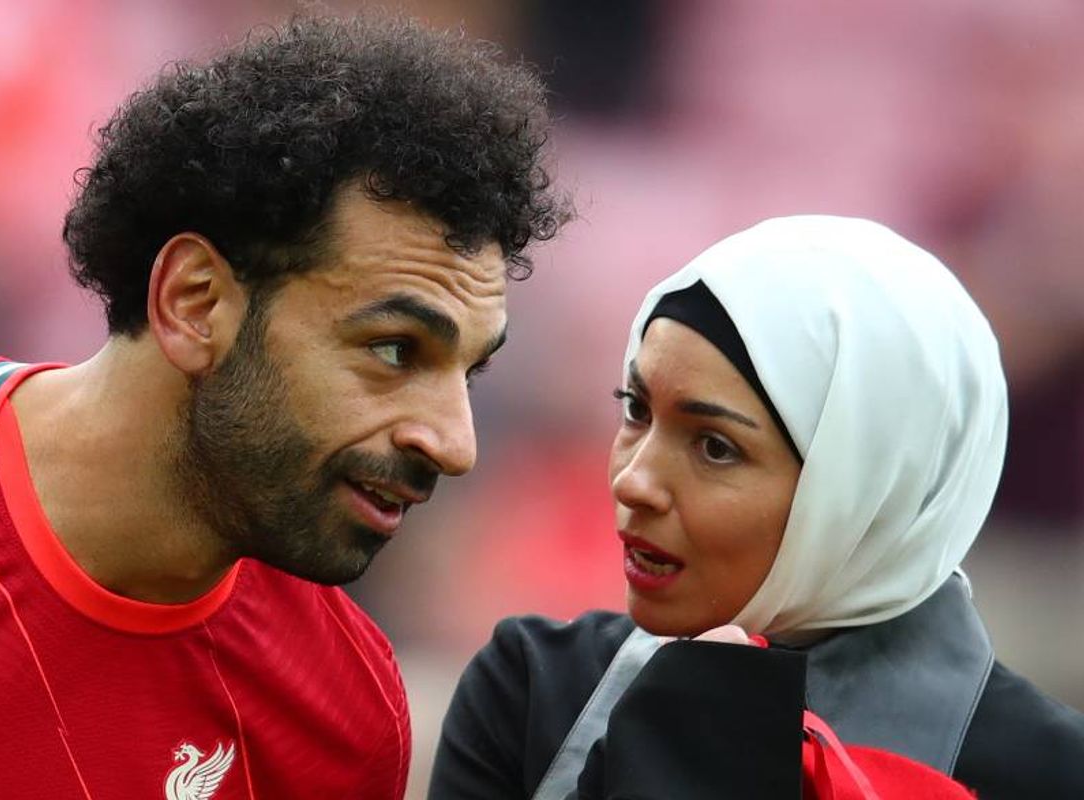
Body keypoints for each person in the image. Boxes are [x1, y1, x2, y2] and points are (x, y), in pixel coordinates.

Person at [0, 13, 569, 799]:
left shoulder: (343, 716)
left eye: (469, 373)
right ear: (195, 302)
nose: (454, 444)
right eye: (394, 349)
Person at [430, 216, 1084, 799]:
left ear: (863, 493)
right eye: (636, 410)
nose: (634, 480)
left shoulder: (1047, 770)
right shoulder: (535, 688)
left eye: (715, 447)